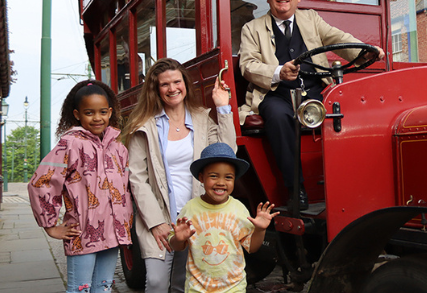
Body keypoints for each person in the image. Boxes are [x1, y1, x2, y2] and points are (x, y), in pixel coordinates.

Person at [239, 0, 385, 210]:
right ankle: (296, 189)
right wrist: (278, 72)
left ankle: (356, 185)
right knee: (276, 116)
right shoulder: (252, 29)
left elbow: (338, 39)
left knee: (352, 109)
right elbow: (247, 65)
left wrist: (365, 51)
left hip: (316, 92)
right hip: (277, 94)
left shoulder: (311, 18)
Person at [123, 58, 237, 293]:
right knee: (155, 282)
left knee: (182, 283)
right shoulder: (144, 126)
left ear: (185, 84)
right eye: (165, 84)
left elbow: (227, 156)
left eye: (177, 81)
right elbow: (137, 178)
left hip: (195, 216)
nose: (172, 88)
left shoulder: (202, 119)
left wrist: (223, 108)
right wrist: (156, 223)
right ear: (156, 89)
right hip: (159, 217)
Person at [28, 80, 132, 293]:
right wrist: (50, 225)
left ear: (110, 112)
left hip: (113, 233)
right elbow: (41, 182)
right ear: (77, 114)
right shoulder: (70, 144)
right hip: (82, 233)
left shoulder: (118, 147)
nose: (97, 118)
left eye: (102, 112)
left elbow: (125, 188)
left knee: (103, 289)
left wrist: (125, 222)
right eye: (89, 112)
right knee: (80, 289)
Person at [169, 142, 278, 293]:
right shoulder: (190, 209)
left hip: (233, 288)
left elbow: (252, 248)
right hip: (198, 289)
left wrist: (259, 230)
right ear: (201, 178)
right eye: (213, 176)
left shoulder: (239, 209)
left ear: (234, 180)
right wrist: (179, 239)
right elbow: (176, 246)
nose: (221, 183)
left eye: (228, 177)